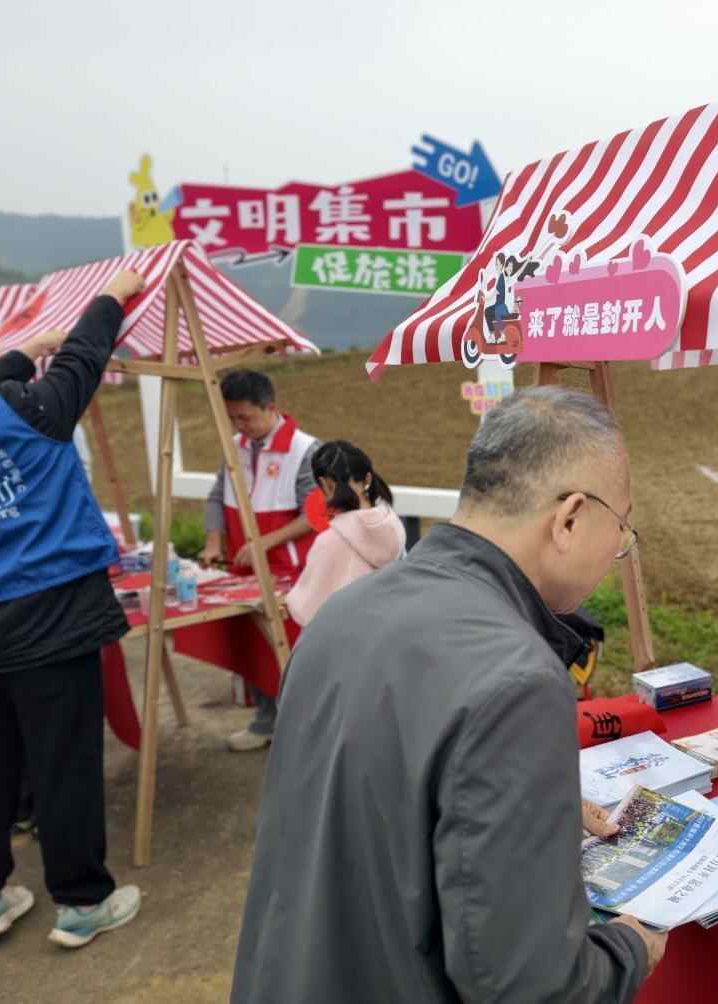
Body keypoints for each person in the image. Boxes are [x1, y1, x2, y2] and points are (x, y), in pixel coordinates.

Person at [231, 387, 666, 1004]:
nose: (617, 551)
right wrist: (630, 950)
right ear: (570, 518)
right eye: (621, 529)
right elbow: (528, 986)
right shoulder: (518, 676)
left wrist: (529, 812)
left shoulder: (342, 612)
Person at [0, 270, 146, 948]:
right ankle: (82, 901)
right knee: (65, 765)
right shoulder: (30, 411)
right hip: (52, 622)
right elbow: (84, 356)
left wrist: (25, 350)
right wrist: (112, 295)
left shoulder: (3, 404)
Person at [194, 368, 319, 752]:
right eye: (232, 418)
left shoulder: (305, 450)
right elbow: (217, 497)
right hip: (244, 568)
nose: (239, 426)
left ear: (271, 408)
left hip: (291, 570)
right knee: (253, 648)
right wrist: (213, 542)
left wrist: (266, 542)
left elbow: (315, 513)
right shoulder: (235, 446)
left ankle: (306, 731)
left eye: (245, 417)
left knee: (293, 653)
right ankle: (266, 722)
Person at [283, 439, 406, 627]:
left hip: (344, 639)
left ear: (324, 485)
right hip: (388, 631)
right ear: (368, 479)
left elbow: (306, 611)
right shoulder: (394, 525)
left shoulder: (329, 541)